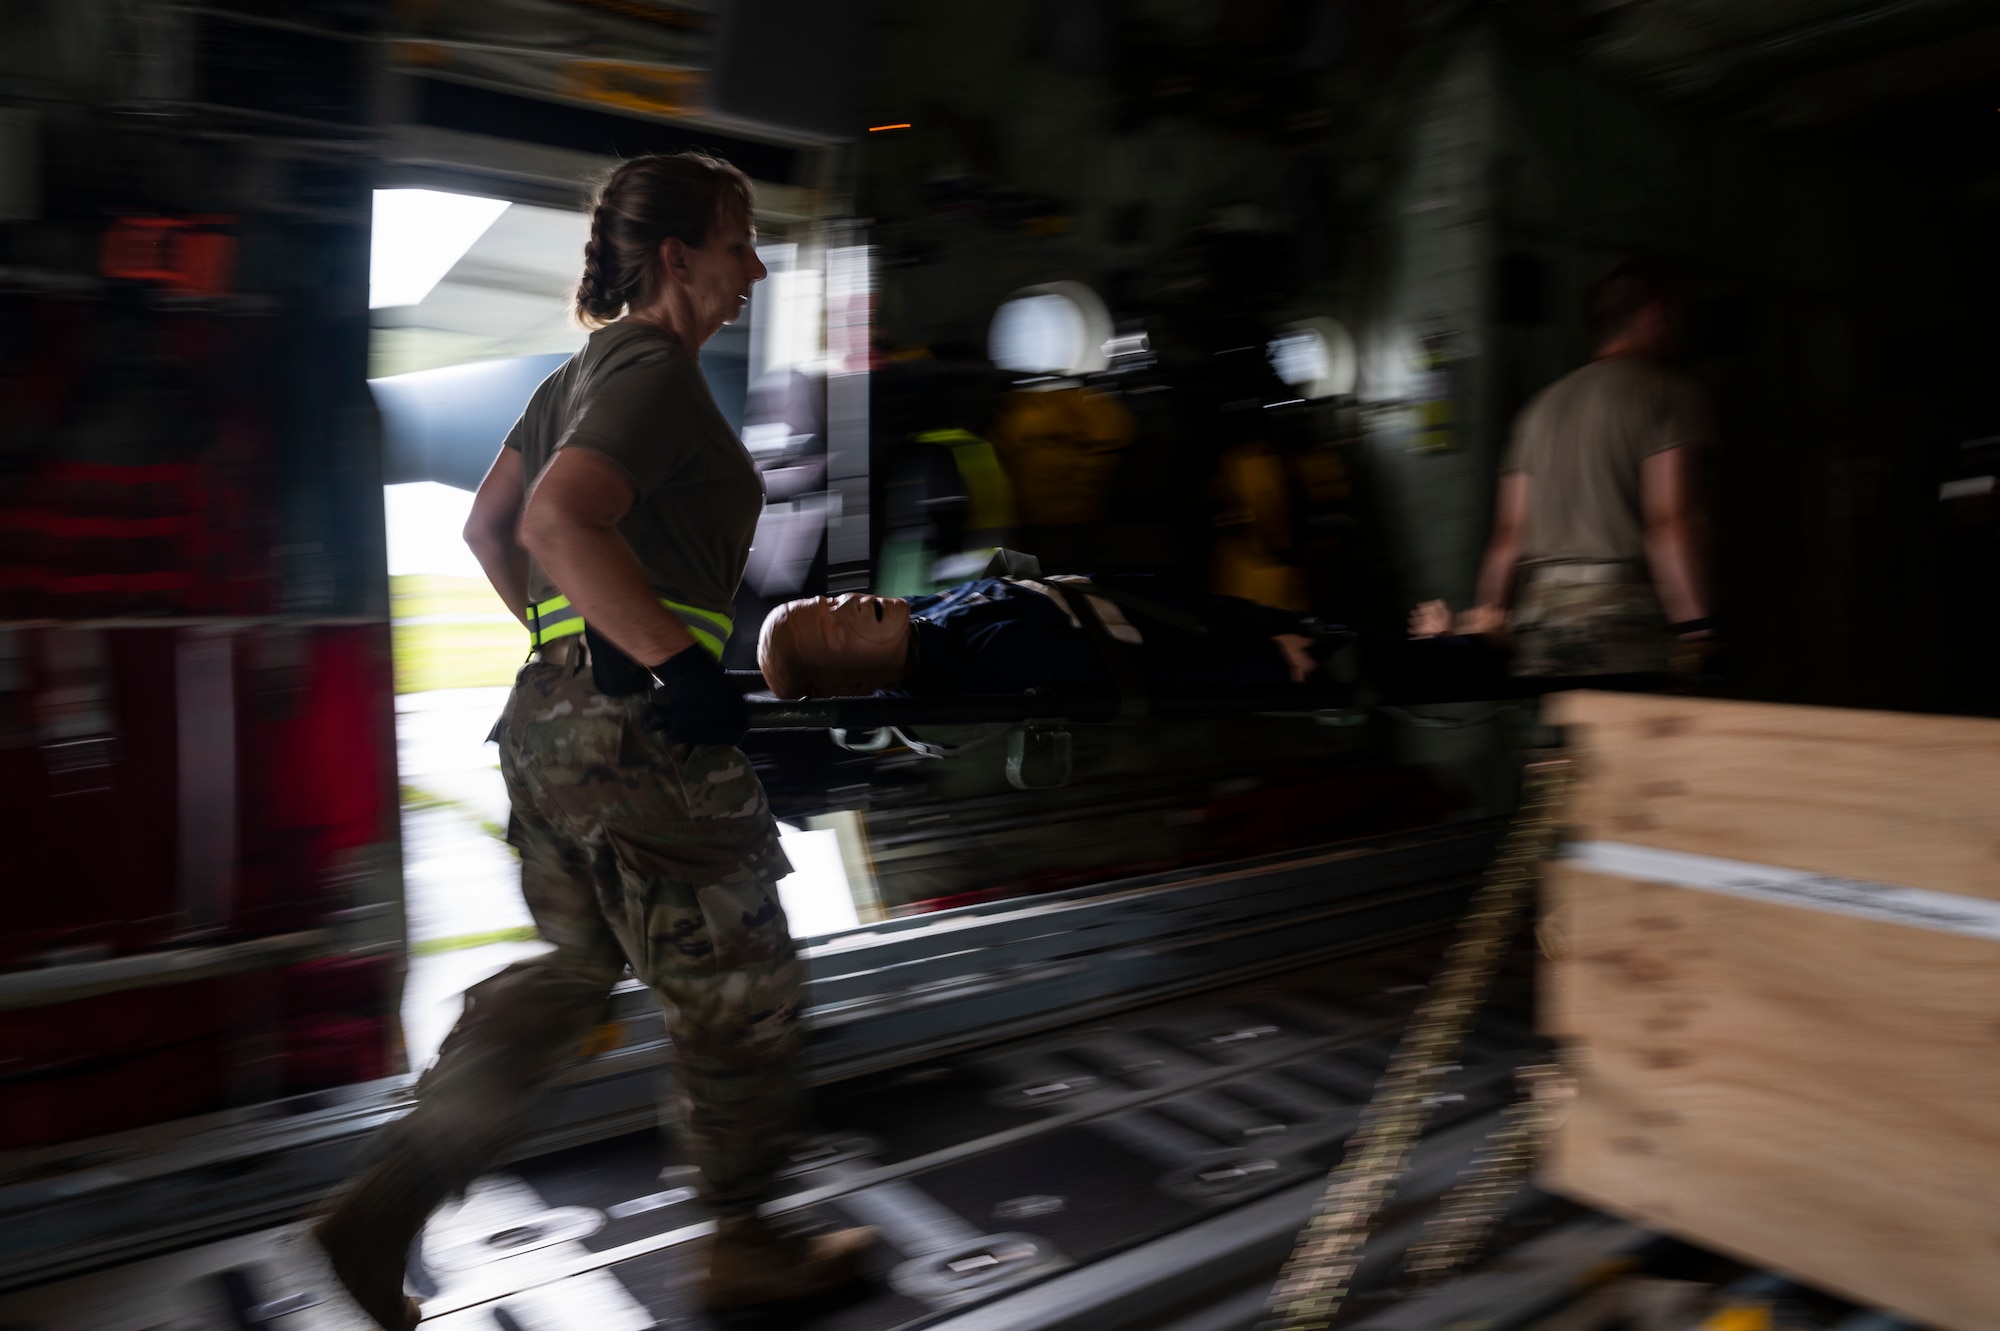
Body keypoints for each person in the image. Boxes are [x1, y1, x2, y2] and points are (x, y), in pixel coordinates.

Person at [311, 152, 872, 1330]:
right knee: (742, 987)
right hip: (638, 740)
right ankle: (746, 1243)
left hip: (551, 733)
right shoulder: (652, 367)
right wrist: (662, 663)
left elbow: (490, 526)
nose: (754, 266)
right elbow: (560, 519)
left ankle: (384, 1204)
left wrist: (577, 658)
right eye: (737, 242)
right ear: (675, 259)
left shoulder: (571, 376)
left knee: (573, 976)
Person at [1418, 262, 1716, 675]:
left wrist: (1484, 633)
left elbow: (1508, 539)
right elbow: (1670, 522)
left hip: (1540, 625)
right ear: (1655, 314)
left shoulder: (1539, 409)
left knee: (1556, 738)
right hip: (1623, 622)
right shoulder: (1668, 392)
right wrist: (1698, 631)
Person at [757, 572, 1330, 699]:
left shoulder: (921, 619)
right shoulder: (988, 655)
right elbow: (1141, 680)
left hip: (1171, 610)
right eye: (835, 625)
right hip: (1204, 640)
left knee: (1312, 627)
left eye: (830, 600)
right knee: (1335, 654)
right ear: (857, 682)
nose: (850, 603)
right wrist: (1266, 669)